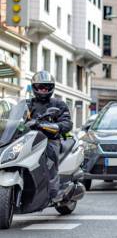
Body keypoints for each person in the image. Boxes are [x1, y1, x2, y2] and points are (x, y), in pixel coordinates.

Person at [26, 71, 73, 203]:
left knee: (49, 160)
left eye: (46, 87)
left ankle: (53, 192)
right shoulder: (27, 104)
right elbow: (15, 117)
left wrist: (52, 126)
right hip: (28, 139)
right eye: (40, 87)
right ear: (34, 87)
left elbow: (67, 123)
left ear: (51, 88)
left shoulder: (58, 104)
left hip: (49, 139)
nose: (43, 90)